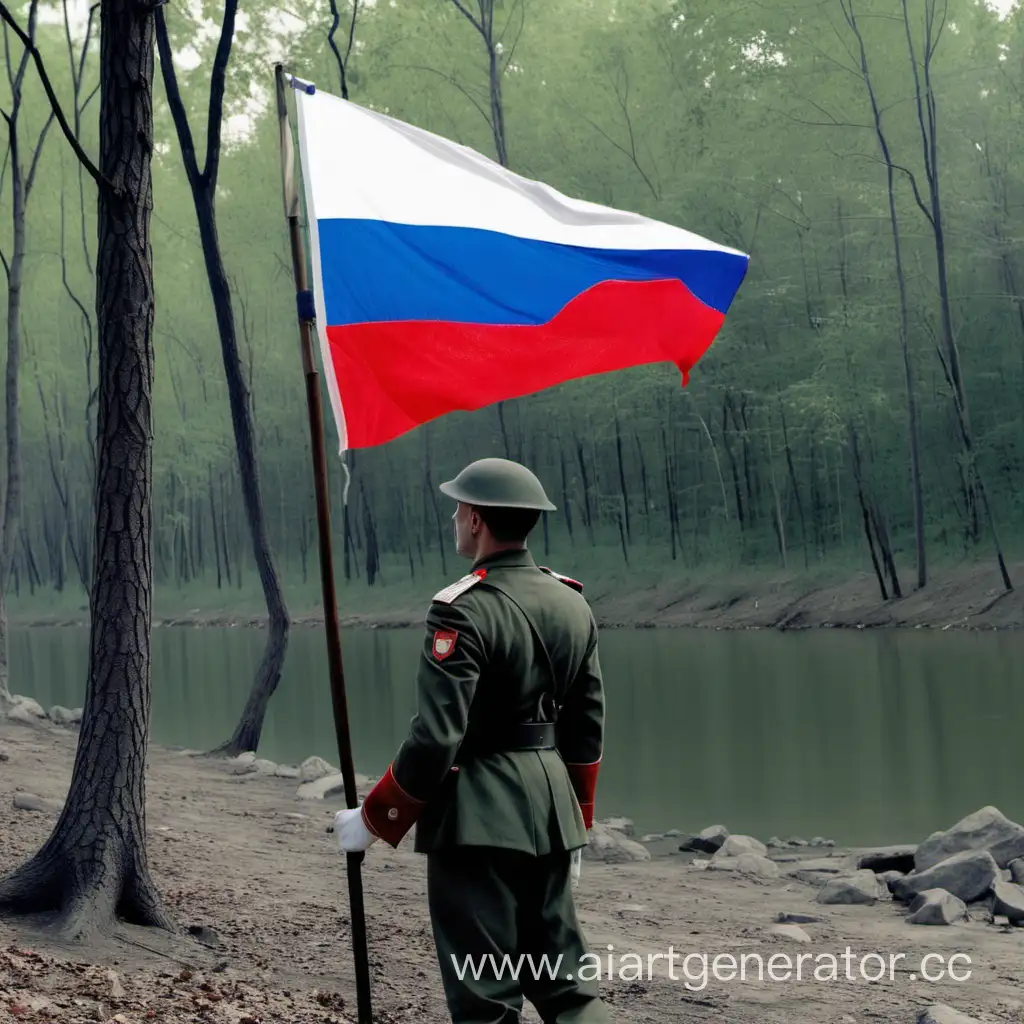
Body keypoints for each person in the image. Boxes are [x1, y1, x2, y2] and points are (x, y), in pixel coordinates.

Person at [333, 456, 609, 1024]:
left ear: (478, 520)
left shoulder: (461, 610)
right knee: (566, 989)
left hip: (478, 817)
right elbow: (586, 728)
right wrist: (578, 819)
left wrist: (376, 817)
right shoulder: (572, 603)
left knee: (484, 995)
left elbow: (437, 738)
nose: (455, 517)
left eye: (460, 507)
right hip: (552, 811)